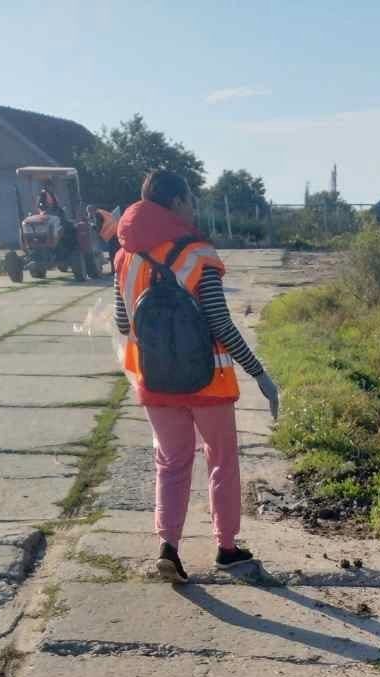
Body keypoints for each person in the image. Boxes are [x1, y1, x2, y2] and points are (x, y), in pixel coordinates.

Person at [113, 169, 280, 584]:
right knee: (221, 462)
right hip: (209, 382)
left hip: (154, 381)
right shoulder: (196, 254)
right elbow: (221, 324)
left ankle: (168, 548)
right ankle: (226, 548)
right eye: (189, 198)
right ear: (174, 204)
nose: (193, 205)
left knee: (171, 463)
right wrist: (259, 373)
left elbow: (121, 322)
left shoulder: (124, 258)